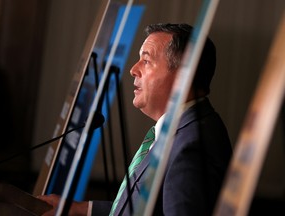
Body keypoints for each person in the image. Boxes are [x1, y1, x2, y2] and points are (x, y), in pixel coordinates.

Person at [38, 23, 232, 215]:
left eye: (146, 61)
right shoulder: (181, 128)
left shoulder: (192, 146)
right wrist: (79, 210)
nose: (133, 69)